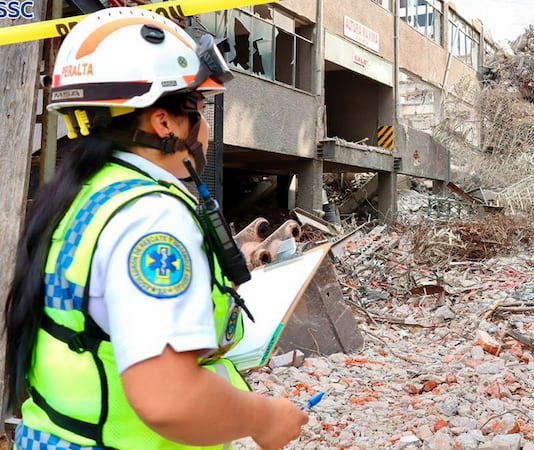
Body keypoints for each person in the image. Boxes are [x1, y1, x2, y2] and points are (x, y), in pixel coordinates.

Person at [3, 7, 308, 449]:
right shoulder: (152, 217)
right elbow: (168, 399)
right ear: (163, 122)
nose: (203, 129)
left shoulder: (85, 196)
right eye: (198, 111)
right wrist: (263, 417)